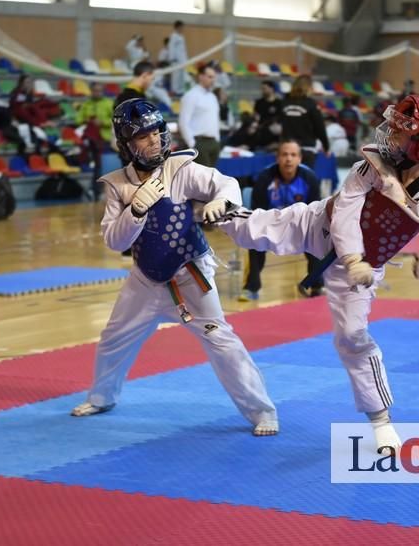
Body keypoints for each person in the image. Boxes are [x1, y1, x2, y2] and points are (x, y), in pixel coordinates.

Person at [218, 94, 419, 453]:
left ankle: (381, 420)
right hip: (320, 226)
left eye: (399, 135)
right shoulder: (371, 165)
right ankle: (213, 207)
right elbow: (346, 211)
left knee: (352, 335)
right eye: (392, 130)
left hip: (364, 270)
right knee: (254, 228)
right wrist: (352, 258)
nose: (389, 139)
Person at [70, 98, 278, 437]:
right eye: (143, 136)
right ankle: (102, 397)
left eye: (156, 132)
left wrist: (220, 201)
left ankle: (263, 412)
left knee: (222, 342)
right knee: (113, 338)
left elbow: (225, 184)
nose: (153, 140)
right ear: (127, 144)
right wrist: (135, 211)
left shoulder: (181, 170)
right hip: (145, 280)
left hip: (189, 275)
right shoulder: (118, 186)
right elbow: (114, 241)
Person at [239, 140, 323, 301]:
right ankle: (251, 287)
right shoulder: (265, 178)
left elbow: (316, 213)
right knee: (254, 240)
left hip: (301, 226)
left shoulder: (309, 178)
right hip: (271, 225)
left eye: (293, 155)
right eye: (284, 154)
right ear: (277, 158)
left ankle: (316, 285)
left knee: (318, 238)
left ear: (300, 159)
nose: (288, 159)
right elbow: (258, 214)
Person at [280, 75, 329, 168]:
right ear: (308, 88)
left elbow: (279, 123)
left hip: (287, 147)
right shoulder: (310, 104)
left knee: (287, 180)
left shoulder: (284, 102)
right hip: (306, 146)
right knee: (305, 178)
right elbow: (319, 127)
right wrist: (326, 147)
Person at [178, 64, 220, 168]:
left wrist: (217, 140)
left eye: (214, 77)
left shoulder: (212, 97)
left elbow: (215, 119)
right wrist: (192, 143)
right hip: (199, 142)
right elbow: (183, 121)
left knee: (212, 177)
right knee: (202, 179)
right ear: (201, 76)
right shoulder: (191, 96)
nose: (213, 80)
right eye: (210, 77)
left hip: (213, 142)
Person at [167, 21, 188, 94]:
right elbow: (171, 47)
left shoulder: (181, 36)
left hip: (182, 59)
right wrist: (172, 58)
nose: (182, 28)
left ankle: (181, 90)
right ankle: (174, 90)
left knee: (182, 75)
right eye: (181, 27)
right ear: (177, 27)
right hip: (175, 60)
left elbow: (183, 49)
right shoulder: (173, 36)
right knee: (176, 76)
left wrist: (185, 59)